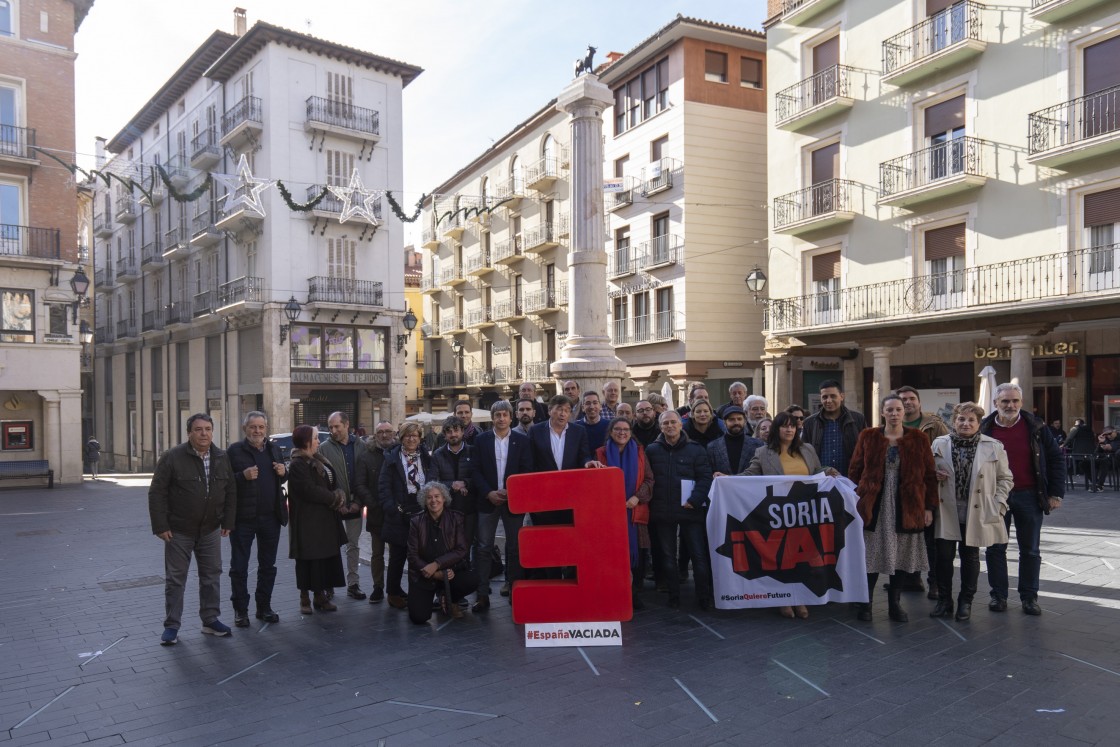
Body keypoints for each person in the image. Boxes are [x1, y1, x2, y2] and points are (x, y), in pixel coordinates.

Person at [848, 394, 938, 623]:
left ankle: (894, 605)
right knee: (870, 557)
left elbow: (929, 475)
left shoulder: (918, 438)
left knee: (901, 558)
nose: (895, 413)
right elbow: (855, 470)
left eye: (898, 409)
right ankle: (865, 604)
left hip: (907, 505)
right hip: (874, 506)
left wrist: (928, 508)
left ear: (903, 412)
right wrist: (856, 499)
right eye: (890, 410)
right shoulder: (868, 436)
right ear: (882, 412)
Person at [148, 413, 237, 645]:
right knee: (176, 580)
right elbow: (157, 493)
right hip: (179, 531)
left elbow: (230, 491)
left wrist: (228, 521)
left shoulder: (221, 456)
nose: (204, 434)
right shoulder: (172, 457)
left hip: (210, 530)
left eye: (208, 429)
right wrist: (161, 525)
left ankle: (210, 620)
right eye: (198, 429)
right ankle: (172, 626)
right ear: (189, 432)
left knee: (212, 575)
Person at [740, 411, 837, 619]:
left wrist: (828, 470)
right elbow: (749, 476)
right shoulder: (763, 452)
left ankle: (800, 598)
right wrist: (726, 479)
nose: (790, 429)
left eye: (793, 426)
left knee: (803, 558)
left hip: (805, 513)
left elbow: (816, 470)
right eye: (785, 426)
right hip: (778, 514)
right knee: (782, 558)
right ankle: (784, 599)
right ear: (777, 429)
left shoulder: (807, 449)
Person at [981, 383, 1065, 615]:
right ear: (996, 403)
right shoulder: (984, 429)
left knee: (1030, 550)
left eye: (1015, 401)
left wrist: (1055, 493)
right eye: (1005, 401)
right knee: (995, 548)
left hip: (1030, 495)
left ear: (1021, 402)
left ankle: (1029, 597)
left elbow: (1056, 460)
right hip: (996, 497)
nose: (1010, 405)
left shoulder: (1036, 427)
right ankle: (998, 596)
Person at [931, 403, 1013, 621]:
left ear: (978, 424)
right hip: (946, 509)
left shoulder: (993, 446)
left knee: (970, 557)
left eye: (971, 420)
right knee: (943, 557)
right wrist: (932, 475)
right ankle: (944, 600)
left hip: (976, 510)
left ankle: (965, 601)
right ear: (954, 421)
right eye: (961, 419)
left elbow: (1005, 478)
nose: (965, 424)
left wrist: (999, 504)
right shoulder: (939, 443)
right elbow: (926, 472)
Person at [645, 410, 713, 610]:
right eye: (665, 423)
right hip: (663, 511)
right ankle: (673, 595)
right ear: (660, 426)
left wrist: (695, 499)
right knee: (668, 557)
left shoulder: (696, 449)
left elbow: (705, 478)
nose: (670, 426)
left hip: (690, 509)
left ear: (681, 425)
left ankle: (703, 596)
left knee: (698, 555)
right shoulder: (651, 450)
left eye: (673, 422)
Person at [226, 411, 288, 628]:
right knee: (239, 567)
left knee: (268, 565)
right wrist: (242, 476)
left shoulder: (273, 449)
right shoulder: (235, 451)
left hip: (271, 516)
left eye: (261, 427)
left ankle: (264, 607)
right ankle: (240, 611)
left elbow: (282, 476)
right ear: (245, 429)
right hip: (243, 519)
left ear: (266, 429)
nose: (257, 431)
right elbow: (224, 482)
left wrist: (284, 471)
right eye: (253, 427)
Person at [528, 395, 599, 578]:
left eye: (567, 410)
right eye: (559, 409)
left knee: (570, 538)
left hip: (570, 497)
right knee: (549, 539)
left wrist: (587, 463)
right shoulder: (536, 431)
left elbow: (584, 455)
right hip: (545, 498)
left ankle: (570, 576)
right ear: (550, 410)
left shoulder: (578, 431)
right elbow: (531, 463)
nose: (562, 413)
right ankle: (552, 577)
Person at [472, 400, 533, 611]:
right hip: (487, 501)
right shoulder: (481, 441)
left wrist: (511, 490)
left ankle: (514, 588)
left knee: (514, 547)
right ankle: (481, 593)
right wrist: (488, 492)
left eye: (504, 415)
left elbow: (526, 469)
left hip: (512, 501)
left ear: (510, 417)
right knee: (483, 547)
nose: (501, 419)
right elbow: (475, 471)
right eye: (497, 415)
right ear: (492, 418)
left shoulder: (522, 441)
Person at [287, 424, 349, 615]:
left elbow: (330, 480)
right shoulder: (298, 464)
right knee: (308, 559)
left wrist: (338, 492)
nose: (318, 441)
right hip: (308, 520)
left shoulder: (318, 458)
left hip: (325, 518)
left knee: (323, 559)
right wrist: (334, 498)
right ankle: (305, 597)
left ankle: (320, 596)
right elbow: (308, 490)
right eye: (315, 438)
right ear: (306, 441)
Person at [896, 385, 950, 598]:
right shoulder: (892, 424)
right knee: (906, 536)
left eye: (911, 398)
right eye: (903, 399)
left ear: (919, 402)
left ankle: (935, 583)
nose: (907, 402)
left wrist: (940, 470)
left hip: (929, 489)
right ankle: (911, 578)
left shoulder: (934, 425)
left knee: (932, 539)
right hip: (901, 490)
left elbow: (947, 450)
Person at [593, 417, 654, 609]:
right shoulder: (600, 454)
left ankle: (634, 593)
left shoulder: (640, 453)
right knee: (610, 555)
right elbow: (593, 482)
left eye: (626, 429)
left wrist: (637, 497)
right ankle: (614, 592)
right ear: (611, 432)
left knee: (637, 557)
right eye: (618, 429)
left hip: (634, 512)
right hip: (608, 515)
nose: (622, 432)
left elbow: (649, 480)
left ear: (630, 432)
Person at [379, 422, 434, 610]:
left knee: (418, 555)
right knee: (397, 555)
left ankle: (417, 592)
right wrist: (392, 508)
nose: (411, 439)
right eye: (407, 436)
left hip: (421, 511)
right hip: (399, 512)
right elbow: (384, 486)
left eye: (415, 436)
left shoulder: (426, 457)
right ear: (401, 438)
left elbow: (432, 479)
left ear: (420, 438)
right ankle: (393, 592)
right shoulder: (392, 458)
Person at [406, 481, 478, 624]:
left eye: (437, 496)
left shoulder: (456, 518)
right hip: (424, 574)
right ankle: (436, 596)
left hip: (450, 572)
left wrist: (437, 564)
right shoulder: (416, 521)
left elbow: (461, 549)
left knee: (473, 579)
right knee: (418, 617)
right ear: (424, 501)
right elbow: (412, 555)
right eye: (429, 497)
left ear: (444, 498)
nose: (434, 500)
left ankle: (451, 599)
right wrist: (434, 573)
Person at [319, 411, 366, 601]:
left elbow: (366, 477)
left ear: (347, 425)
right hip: (333, 506)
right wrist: (335, 502)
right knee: (331, 545)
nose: (333, 430)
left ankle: (353, 584)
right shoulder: (323, 448)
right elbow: (322, 481)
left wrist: (358, 502)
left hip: (356, 504)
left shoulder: (362, 446)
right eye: (330, 427)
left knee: (353, 545)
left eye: (337, 426)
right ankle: (328, 584)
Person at [431, 416, 476, 583]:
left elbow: (478, 476)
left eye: (456, 430)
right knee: (447, 550)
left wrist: (466, 482)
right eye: (449, 431)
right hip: (447, 511)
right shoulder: (438, 454)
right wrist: (453, 484)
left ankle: (463, 587)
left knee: (466, 547)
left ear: (463, 432)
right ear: (444, 434)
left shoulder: (473, 451)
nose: (453, 434)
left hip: (468, 509)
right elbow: (433, 482)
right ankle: (447, 590)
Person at [353, 421, 395, 604]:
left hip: (395, 513)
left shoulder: (399, 452)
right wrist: (373, 503)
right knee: (377, 553)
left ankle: (394, 588)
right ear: (375, 434)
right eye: (380, 432)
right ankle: (378, 587)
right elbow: (360, 484)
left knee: (397, 553)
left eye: (388, 432)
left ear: (393, 433)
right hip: (376, 512)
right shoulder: (365, 456)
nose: (384, 435)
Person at [801, 379, 867, 478]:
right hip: (821, 480)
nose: (828, 400)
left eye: (833, 396)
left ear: (842, 396)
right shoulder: (810, 423)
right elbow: (804, 453)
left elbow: (866, 450)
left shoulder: (858, 419)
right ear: (821, 399)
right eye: (825, 397)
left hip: (851, 480)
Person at [708, 406, 764, 476]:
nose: (736, 422)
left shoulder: (758, 445)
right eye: (732, 419)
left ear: (745, 421)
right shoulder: (713, 447)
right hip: (723, 486)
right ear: (725, 422)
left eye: (739, 419)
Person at [1091, 426, 1118, 493]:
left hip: (1115, 460)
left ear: (1114, 432)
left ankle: (1099, 485)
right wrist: (1101, 442)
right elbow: (1096, 452)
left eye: (1110, 433)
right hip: (1105, 460)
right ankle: (1096, 483)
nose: (1108, 436)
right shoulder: (1105, 439)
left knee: (1104, 461)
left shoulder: (1118, 438)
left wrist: (1106, 446)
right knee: (1085, 463)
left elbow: (1112, 448)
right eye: (1106, 434)